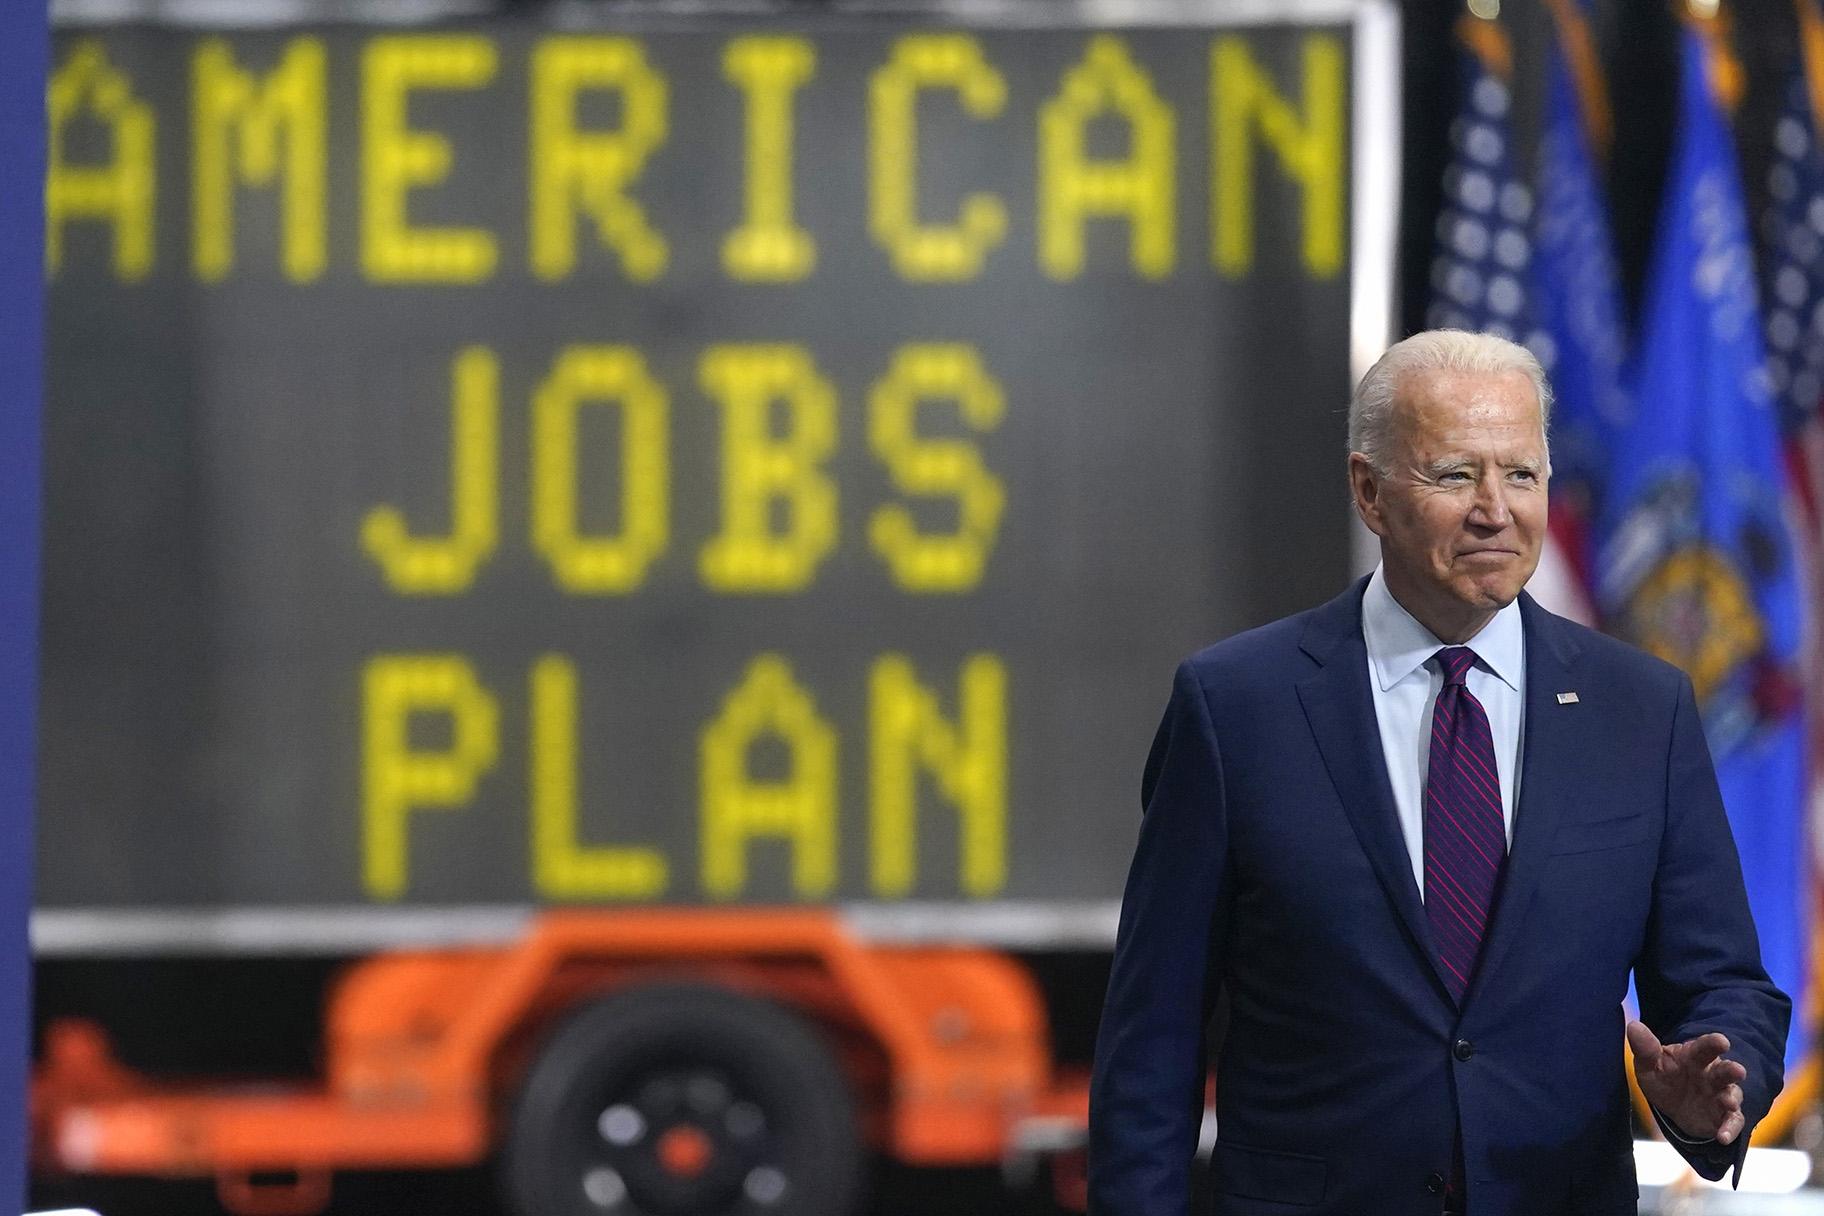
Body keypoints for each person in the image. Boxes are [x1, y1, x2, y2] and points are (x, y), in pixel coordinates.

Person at [1087, 330, 1791, 1216]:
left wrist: (1718, 1088)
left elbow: (1721, 979)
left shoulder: (1641, 712)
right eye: (1456, 475)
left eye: (1522, 474)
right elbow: (1152, 1041)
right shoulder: (1236, 709)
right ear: (1369, 492)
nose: (1495, 509)